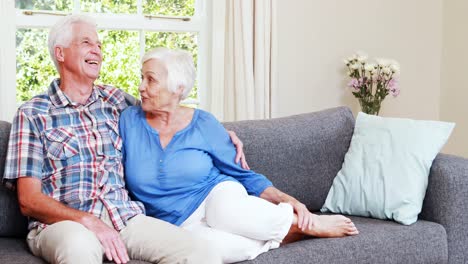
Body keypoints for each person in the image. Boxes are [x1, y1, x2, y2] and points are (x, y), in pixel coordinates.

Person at [3, 14, 246, 264]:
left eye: (99, 45)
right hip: (63, 225)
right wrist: (88, 221)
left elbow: (167, 113)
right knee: (79, 247)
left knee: (201, 252)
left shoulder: (115, 100)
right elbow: (29, 200)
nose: (97, 50)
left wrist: (217, 132)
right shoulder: (32, 113)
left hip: (123, 218)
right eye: (86, 43)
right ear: (61, 53)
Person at [120, 47, 360, 263]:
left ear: (178, 88)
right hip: (179, 223)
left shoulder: (203, 123)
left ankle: (307, 223)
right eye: (142, 78)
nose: (141, 86)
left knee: (223, 214)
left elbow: (244, 175)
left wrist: (293, 202)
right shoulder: (128, 120)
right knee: (208, 250)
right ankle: (286, 234)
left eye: (150, 80)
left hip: (215, 195)